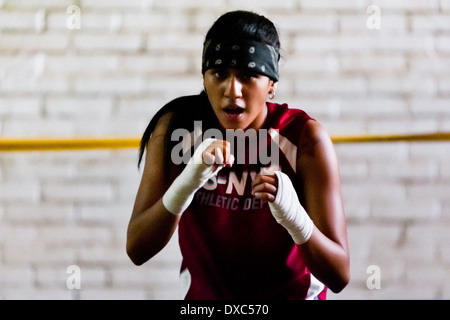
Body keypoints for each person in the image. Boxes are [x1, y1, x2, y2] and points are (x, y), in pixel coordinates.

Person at [126, 10, 350, 300]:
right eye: (219, 73)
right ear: (204, 78)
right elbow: (137, 249)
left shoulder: (304, 138)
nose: (232, 91)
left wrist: (296, 218)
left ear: (271, 84)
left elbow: (339, 275)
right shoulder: (177, 129)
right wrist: (185, 185)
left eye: (248, 75)